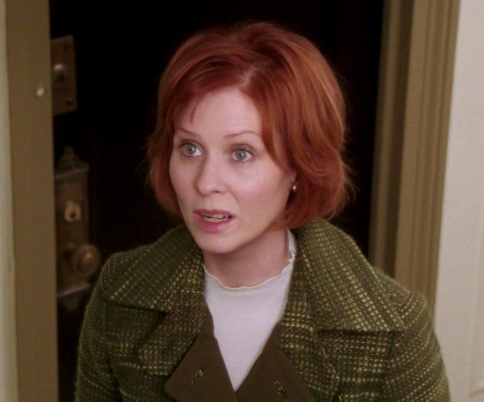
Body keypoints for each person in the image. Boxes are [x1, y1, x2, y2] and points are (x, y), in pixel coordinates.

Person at [76, 21, 449, 401]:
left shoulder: (396, 331)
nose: (206, 182)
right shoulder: (119, 295)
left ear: (300, 166)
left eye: (241, 154)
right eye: (190, 148)